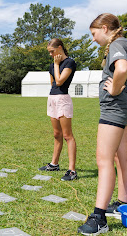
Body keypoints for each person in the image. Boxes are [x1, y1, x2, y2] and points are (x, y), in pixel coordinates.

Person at [78, 13, 127, 235]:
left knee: (103, 160)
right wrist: (123, 90)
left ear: (105, 28)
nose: (93, 39)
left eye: (94, 34)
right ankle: (122, 204)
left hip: (115, 109)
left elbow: (122, 69)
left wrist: (114, 90)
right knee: (121, 156)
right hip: (126, 106)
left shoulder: (116, 44)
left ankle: (99, 218)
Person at [39, 38, 77, 181]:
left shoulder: (69, 62)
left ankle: (72, 170)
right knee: (56, 134)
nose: (51, 54)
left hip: (63, 99)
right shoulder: (51, 66)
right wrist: (54, 65)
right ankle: (54, 164)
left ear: (60, 47)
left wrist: (56, 65)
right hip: (52, 99)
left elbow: (60, 81)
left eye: (52, 51)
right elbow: (53, 84)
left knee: (68, 136)